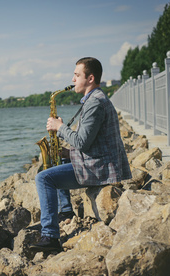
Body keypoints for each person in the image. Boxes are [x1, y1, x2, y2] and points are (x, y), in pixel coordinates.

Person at [30, 57, 132, 252]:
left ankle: (50, 236)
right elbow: (90, 143)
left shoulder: (95, 103)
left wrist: (59, 127)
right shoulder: (94, 100)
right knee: (58, 161)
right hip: (100, 161)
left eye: (77, 75)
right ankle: (65, 211)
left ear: (90, 78)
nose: (73, 79)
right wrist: (66, 152)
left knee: (43, 178)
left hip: (101, 169)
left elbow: (82, 142)